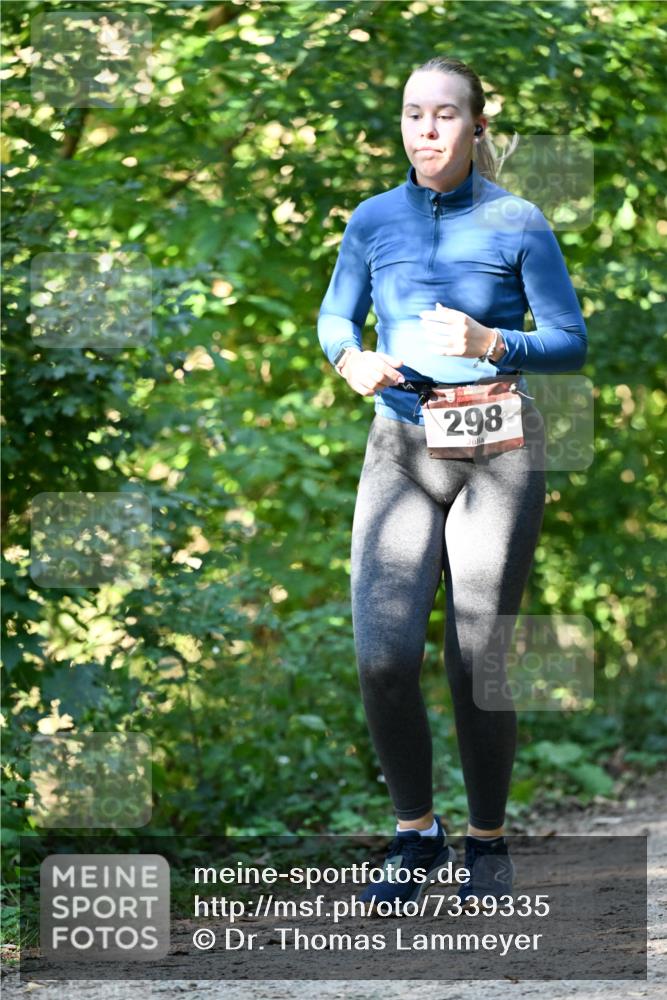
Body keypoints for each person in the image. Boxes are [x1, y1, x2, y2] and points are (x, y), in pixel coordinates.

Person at [317, 56, 587, 913]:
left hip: (495, 442)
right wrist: (347, 355)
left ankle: (487, 844)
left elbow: (570, 339)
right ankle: (415, 835)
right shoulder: (372, 219)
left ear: (475, 124)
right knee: (382, 657)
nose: (425, 130)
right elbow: (335, 312)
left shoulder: (517, 221)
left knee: (477, 655)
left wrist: (491, 343)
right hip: (400, 441)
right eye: (411, 115)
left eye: (443, 116)